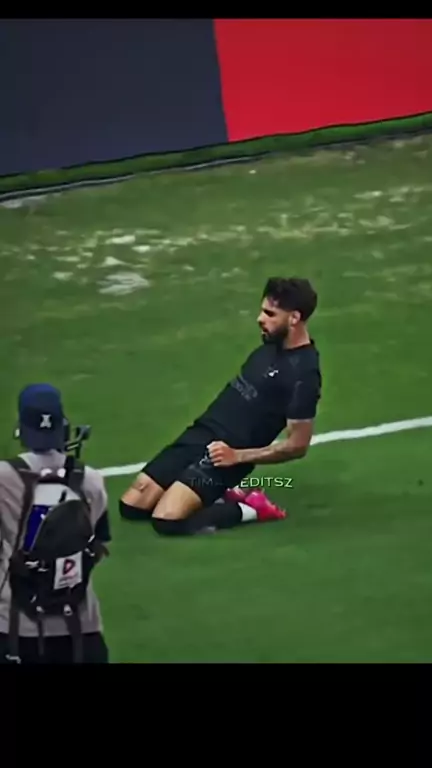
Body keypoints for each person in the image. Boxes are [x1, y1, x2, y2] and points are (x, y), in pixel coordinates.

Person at [119, 276, 322, 536]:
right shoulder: (268, 348)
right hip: (201, 434)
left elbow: (298, 446)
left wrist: (237, 456)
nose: (260, 319)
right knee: (132, 506)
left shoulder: (304, 374)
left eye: (270, 314)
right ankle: (217, 494)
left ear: (294, 318)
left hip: (228, 455)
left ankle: (250, 508)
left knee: (167, 520)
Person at [0, 384, 111, 664]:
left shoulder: (3, 479)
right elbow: (98, 542)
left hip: (15, 632)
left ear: (21, 428)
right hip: (82, 632)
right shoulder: (92, 480)